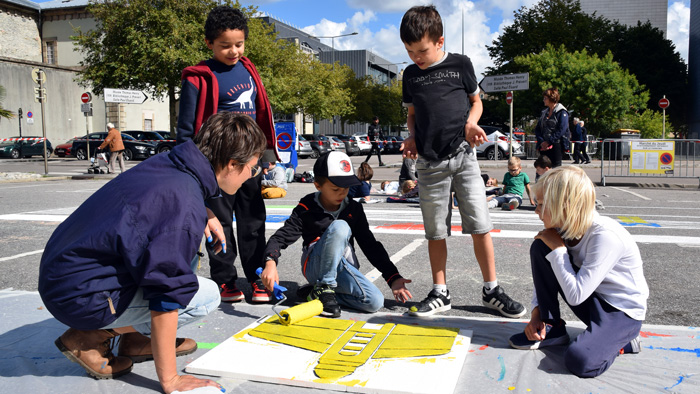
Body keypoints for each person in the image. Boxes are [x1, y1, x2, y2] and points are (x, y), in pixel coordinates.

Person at [39, 112, 266, 393]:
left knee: (185, 251)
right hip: (79, 296)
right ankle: (88, 336)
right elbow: (167, 292)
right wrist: (170, 379)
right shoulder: (182, 205)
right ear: (232, 164)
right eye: (252, 169)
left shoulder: (171, 164)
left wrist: (205, 212)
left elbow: (157, 211)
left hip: (66, 273)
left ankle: (135, 340)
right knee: (204, 297)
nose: (252, 176)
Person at [399, 5, 525, 318]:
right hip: (429, 164)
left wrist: (471, 123)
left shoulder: (460, 64)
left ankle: (491, 289)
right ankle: (441, 292)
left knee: (480, 225)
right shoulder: (411, 75)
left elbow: (476, 102)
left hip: (463, 157)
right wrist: (412, 137)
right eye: (410, 51)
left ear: (439, 41)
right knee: (435, 231)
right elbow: (412, 114)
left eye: (422, 50)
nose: (417, 57)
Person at [177, 5, 278, 304]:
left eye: (239, 44)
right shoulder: (197, 77)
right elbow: (186, 128)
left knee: (252, 223)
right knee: (219, 225)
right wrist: (192, 168)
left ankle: (258, 276)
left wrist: (266, 157)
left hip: (250, 163)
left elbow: (262, 114)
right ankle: (224, 280)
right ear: (209, 43)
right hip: (216, 167)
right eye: (225, 46)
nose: (233, 51)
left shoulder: (249, 70)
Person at [509, 166, 648, 378]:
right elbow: (551, 273)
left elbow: (575, 296)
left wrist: (560, 250)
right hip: (593, 300)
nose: (536, 210)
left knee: (580, 361)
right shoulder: (563, 228)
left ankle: (624, 341)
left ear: (565, 206)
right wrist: (537, 313)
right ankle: (551, 326)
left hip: (621, 312)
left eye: (541, 204)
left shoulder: (605, 236)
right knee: (541, 246)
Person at [260, 151, 413, 317]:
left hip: (343, 267)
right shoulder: (307, 206)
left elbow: (370, 245)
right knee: (340, 226)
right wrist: (270, 261)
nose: (342, 193)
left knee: (374, 302)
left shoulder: (353, 208)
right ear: (318, 185)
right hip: (315, 267)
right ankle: (325, 286)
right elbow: (281, 237)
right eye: (336, 189)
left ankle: (315, 294)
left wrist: (393, 277)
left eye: (346, 187)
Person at [534, 88, 569, 168]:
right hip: (543, 147)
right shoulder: (544, 112)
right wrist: (542, 141)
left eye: (545, 98)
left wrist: (549, 141)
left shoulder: (562, 112)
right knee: (542, 167)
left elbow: (562, 129)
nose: (543, 100)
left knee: (555, 169)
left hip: (556, 145)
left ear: (552, 98)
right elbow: (538, 128)